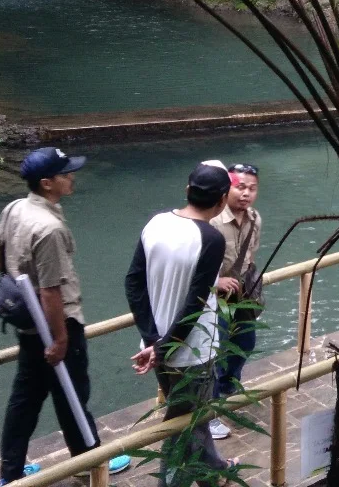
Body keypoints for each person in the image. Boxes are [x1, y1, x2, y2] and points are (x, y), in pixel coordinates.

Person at [0, 147, 130, 485]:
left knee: (25, 400)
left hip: (29, 326)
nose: (72, 177)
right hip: (57, 325)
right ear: (47, 182)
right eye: (66, 174)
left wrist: (21, 291)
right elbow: (51, 290)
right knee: (72, 395)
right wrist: (60, 338)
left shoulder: (16, 208)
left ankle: (11, 474)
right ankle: (89, 463)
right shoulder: (48, 227)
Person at [126, 160, 235, 487]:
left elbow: (134, 282)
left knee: (191, 422)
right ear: (222, 200)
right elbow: (196, 303)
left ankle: (213, 473)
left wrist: (151, 340)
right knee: (183, 425)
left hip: (156, 347)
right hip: (192, 352)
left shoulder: (156, 223)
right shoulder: (212, 239)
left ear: (187, 190)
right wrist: (163, 347)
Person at [205, 164, 263, 440]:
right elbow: (195, 263)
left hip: (243, 294)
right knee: (216, 351)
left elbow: (250, 257)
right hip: (216, 296)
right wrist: (216, 282)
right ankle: (210, 411)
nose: (246, 194)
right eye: (240, 187)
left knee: (246, 343)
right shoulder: (212, 220)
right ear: (227, 188)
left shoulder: (254, 219)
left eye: (252, 188)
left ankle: (228, 388)